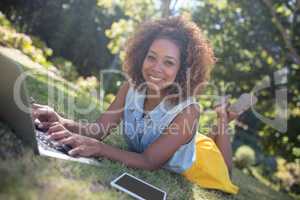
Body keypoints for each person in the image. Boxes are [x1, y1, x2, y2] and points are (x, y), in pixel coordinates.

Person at [32, 16, 239, 194]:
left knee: (225, 170)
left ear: (183, 70)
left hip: (198, 164)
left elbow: (149, 161)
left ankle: (223, 119)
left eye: (168, 62)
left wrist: (100, 149)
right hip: (179, 138)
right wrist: (60, 120)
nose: (156, 68)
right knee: (199, 140)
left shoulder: (188, 110)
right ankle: (214, 126)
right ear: (142, 55)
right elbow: (96, 131)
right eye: (151, 57)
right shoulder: (130, 88)